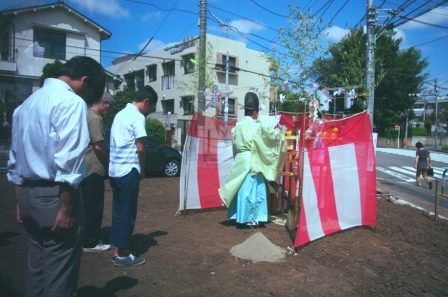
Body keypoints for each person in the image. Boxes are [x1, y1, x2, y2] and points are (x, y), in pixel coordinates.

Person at [7, 56, 105, 297]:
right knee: (59, 277)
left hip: (28, 194)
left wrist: (19, 202)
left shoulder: (26, 105)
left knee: (37, 271)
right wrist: (67, 208)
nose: (88, 98)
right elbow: (68, 161)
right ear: (85, 80)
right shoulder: (71, 102)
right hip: (55, 197)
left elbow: (15, 160)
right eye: (91, 92)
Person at [218, 92, 286, 227]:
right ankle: (250, 218)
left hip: (240, 160)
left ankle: (238, 215)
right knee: (252, 189)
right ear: (255, 112)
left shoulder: (237, 127)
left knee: (240, 188)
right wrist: (278, 131)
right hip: (252, 160)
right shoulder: (256, 125)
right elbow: (270, 137)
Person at [108, 85, 158, 266]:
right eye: (150, 107)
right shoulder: (137, 117)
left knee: (118, 211)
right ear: (146, 102)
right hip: (128, 169)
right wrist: (142, 170)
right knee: (127, 212)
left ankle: (117, 249)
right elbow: (141, 148)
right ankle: (121, 254)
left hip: (114, 170)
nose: (149, 111)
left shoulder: (119, 115)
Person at [81, 92, 115, 252]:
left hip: (83, 167)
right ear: (103, 103)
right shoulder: (94, 118)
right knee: (94, 206)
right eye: (109, 107)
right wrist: (108, 164)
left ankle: (85, 237)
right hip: (93, 167)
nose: (108, 111)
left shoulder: (84, 114)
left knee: (85, 205)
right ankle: (90, 242)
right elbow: (99, 146)